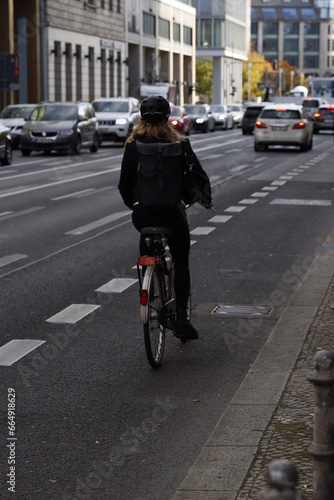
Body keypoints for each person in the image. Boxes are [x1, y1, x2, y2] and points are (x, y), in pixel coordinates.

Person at [118, 96, 213, 340]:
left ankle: (147, 284)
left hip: (143, 215)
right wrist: (202, 200)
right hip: (173, 213)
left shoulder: (132, 146)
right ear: (168, 117)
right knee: (181, 261)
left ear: (141, 118)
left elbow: (124, 185)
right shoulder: (181, 144)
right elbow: (198, 176)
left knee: (146, 240)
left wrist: (134, 205)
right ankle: (181, 317)